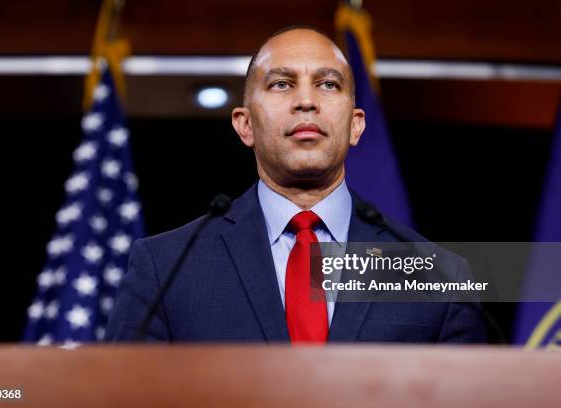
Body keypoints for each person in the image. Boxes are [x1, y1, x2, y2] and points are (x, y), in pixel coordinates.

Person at [106, 26, 487, 343]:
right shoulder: (166, 267)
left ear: (356, 125)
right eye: (282, 85)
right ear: (245, 124)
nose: (306, 101)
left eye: (328, 84)